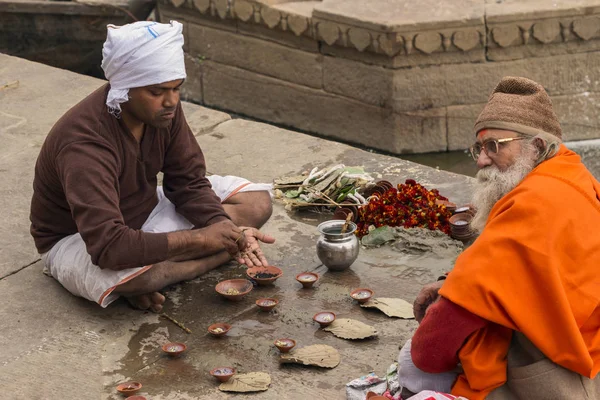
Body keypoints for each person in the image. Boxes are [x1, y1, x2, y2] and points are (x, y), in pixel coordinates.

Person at [29, 20, 275, 312]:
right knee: (135, 278)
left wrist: (220, 226)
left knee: (256, 203)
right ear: (125, 88)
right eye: (157, 91)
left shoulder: (163, 111)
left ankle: (168, 268)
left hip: (145, 211)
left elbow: (187, 182)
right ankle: (163, 272)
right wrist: (203, 238)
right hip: (81, 240)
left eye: (176, 88)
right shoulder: (84, 145)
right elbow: (108, 246)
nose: (171, 101)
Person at [399, 76, 600, 399]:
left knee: (411, 364)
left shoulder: (534, 205)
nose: (481, 160)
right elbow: (522, 280)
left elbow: (431, 349)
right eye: (479, 147)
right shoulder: (572, 175)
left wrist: (451, 304)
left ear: (535, 146)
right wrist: (451, 286)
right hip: (587, 366)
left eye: (494, 146)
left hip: (552, 384)